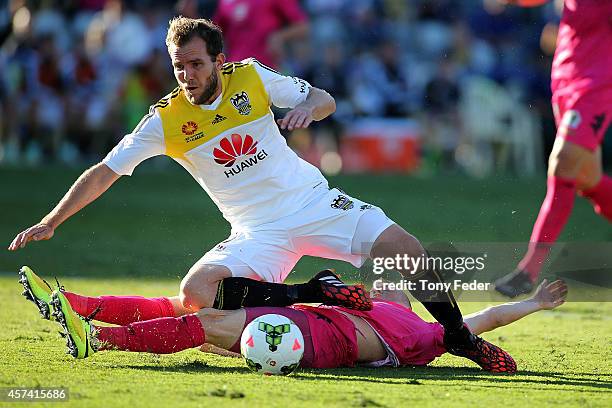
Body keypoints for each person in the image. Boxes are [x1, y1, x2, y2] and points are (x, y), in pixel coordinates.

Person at [10, 17, 512, 372]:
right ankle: (311, 293)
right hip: (258, 231)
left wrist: (307, 112)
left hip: (313, 204)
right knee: (196, 294)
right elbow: (104, 171)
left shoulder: (250, 75)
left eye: (196, 65)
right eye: (179, 66)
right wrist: (53, 220)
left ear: (219, 62)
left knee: (407, 252)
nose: (187, 76)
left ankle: (460, 338)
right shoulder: (164, 120)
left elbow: (323, 98)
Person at [31, 267, 566, 372]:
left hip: (319, 338)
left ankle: (98, 340)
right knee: (203, 315)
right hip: (306, 320)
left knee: (212, 325)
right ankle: (79, 312)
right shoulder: (379, 303)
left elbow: (489, 318)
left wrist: (536, 304)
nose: (394, 287)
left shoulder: (432, 335)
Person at [495, 0, 612, 298]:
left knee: (562, 165)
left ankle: (528, 271)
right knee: (587, 179)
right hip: (565, 81)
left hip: (596, 86)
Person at [213, 0, 309, 69]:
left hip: (266, 68)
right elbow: (215, 33)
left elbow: (302, 26)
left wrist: (280, 36)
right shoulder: (226, 3)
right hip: (235, 68)